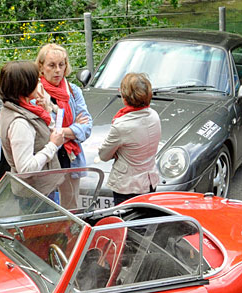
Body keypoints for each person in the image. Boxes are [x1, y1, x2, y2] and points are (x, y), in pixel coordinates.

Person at [0, 61, 66, 197]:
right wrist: (53, 145)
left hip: (41, 189)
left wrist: (45, 110)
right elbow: (26, 169)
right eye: (36, 80)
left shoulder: (16, 108)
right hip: (35, 196)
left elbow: (45, 132)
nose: (39, 82)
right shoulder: (20, 123)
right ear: (25, 85)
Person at [36, 43, 91, 209]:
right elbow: (44, 131)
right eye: (52, 65)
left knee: (71, 208)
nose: (58, 70)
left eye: (62, 65)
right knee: (46, 209)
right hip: (47, 159)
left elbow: (87, 127)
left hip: (70, 157)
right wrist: (73, 129)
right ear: (41, 67)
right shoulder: (36, 93)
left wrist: (59, 133)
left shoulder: (73, 91)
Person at [98, 73, 160, 206]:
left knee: (125, 219)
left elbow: (103, 155)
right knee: (147, 217)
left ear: (125, 97)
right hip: (149, 181)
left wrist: (118, 152)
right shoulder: (154, 116)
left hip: (127, 186)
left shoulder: (122, 125)